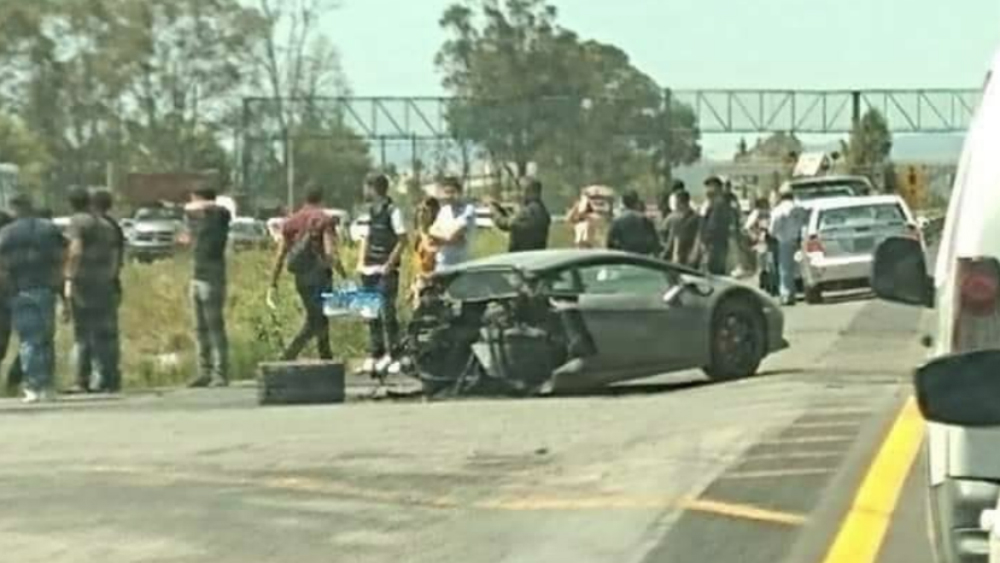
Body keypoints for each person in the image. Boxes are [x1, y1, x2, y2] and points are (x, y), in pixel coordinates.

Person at [0, 194, 66, 403]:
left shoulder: (6, 233)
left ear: (14, 208)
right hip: (46, 288)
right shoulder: (49, 229)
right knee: (45, 338)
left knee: (29, 339)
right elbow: (64, 253)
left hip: (20, 289)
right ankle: (47, 385)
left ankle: (32, 385)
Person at [268, 187, 346, 361]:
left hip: (301, 277)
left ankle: (326, 356)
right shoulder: (324, 220)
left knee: (319, 316)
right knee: (316, 319)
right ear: (321, 198)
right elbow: (330, 252)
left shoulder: (291, 222)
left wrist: (273, 281)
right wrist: (342, 273)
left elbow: (281, 253)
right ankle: (289, 354)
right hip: (320, 275)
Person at [64, 188, 121, 393]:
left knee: (82, 333)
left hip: (84, 284)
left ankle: (81, 380)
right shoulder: (106, 225)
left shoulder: (77, 222)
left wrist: (69, 277)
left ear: (70, 204)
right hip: (104, 283)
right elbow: (115, 255)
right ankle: (109, 378)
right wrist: (111, 276)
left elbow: (76, 250)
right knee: (105, 333)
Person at [356, 174, 407, 375]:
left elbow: (402, 240)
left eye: (366, 188)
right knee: (371, 314)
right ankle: (375, 354)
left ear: (374, 188)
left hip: (385, 269)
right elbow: (365, 238)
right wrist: (360, 262)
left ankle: (393, 354)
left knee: (388, 314)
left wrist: (389, 264)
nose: (364, 192)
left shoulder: (393, 211)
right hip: (369, 269)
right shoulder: (369, 212)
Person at [185, 188, 231, 387]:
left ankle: (220, 372)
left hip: (212, 278)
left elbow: (221, 210)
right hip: (197, 276)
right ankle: (205, 370)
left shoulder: (219, 216)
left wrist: (200, 205)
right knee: (200, 328)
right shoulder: (201, 222)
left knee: (214, 327)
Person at [90, 189, 126, 391]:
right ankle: (112, 377)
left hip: (99, 285)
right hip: (111, 284)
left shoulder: (98, 227)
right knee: (109, 334)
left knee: (97, 335)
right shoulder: (114, 226)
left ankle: (102, 378)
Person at [491, 177, 551, 252]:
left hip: (522, 257)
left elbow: (506, 224)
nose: (520, 194)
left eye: (522, 190)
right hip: (535, 256)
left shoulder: (530, 211)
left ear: (529, 192)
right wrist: (499, 209)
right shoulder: (541, 209)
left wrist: (494, 213)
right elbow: (516, 220)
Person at [769, 186, 806, 306]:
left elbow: (774, 227)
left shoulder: (779, 210)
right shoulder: (799, 208)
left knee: (785, 269)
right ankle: (801, 290)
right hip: (799, 240)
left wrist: (773, 234)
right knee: (800, 267)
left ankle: (787, 295)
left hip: (784, 241)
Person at [429, 176, 476, 271]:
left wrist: (439, 239)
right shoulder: (443, 211)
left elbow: (451, 236)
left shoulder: (468, 210)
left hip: (462, 265)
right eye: (446, 192)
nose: (449, 196)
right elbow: (431, 230)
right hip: (442, 264)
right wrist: (449, 239)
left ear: (460, 192)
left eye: (452, 192)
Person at [700, 176, 738, 275]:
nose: (707, 190)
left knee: (714, 271)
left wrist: (706, 239)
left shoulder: (719, 203)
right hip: (713, 243)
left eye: (709, 187)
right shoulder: (711, 203)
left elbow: (714, 225)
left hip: (716, 243)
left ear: (716, 187)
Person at [606, 189, 660, 256]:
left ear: (623, 202)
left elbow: (610, 244)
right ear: (637, 202)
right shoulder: (645, 220)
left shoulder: (617, 221)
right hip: (643, 259)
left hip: (624, 258)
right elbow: (655, 242)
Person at [410, 196, 440, 306]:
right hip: (419, 285)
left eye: (425, 211)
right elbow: (417, 263)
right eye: (419, 210)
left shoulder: (437, 234)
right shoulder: (418, 237)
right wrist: (413, 285)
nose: (421, 214)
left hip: (433, 287)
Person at [745, 197, 778, 296]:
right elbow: (747, 227)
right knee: (763, 266)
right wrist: (755, 236)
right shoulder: (757, 213)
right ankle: (764, 286)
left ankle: (772, 287)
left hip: (770, 241)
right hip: (761, 243)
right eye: (765, 203)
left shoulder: (770, 213)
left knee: (770, 264)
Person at [660, 190, 702, 267]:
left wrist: (664, 256)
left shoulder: (676, 218)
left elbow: (671, 240)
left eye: (676, 201)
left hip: (684, 258)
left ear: (679, 202)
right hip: (686, 258)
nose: (675, 204)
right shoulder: (696, 218)